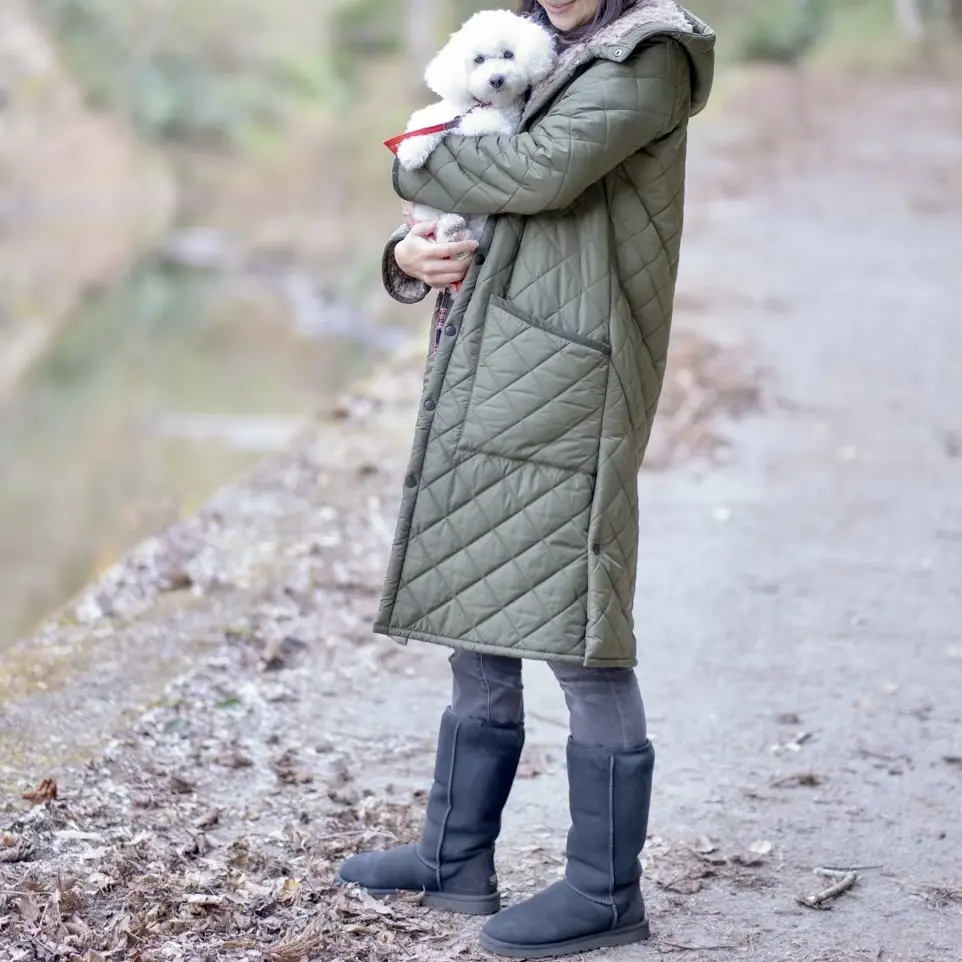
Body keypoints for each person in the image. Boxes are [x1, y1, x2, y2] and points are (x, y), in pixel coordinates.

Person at [337, 1, 715, 957]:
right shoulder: (527, 36)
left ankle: (604, 890)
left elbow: (538, 173)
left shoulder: (649, 54)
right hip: (488, 353)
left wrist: (408, 157)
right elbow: (467, 203)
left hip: (576, 367)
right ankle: (454, 858)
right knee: (477, 586)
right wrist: (403, 252)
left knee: (578, 617)